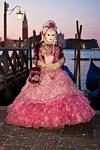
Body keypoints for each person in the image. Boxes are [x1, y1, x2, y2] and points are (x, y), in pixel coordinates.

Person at [6, 20, 95, 129]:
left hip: (57, 72)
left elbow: (62, 58)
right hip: (42, 73)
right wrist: (42, 64)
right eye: (48, 34)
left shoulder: (58, 47)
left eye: (53, 35)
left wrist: (58, 63)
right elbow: (35, 59)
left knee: (62, 94)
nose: (50, 36)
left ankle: (61, 117)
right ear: (44, 34)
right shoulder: (39, 46)